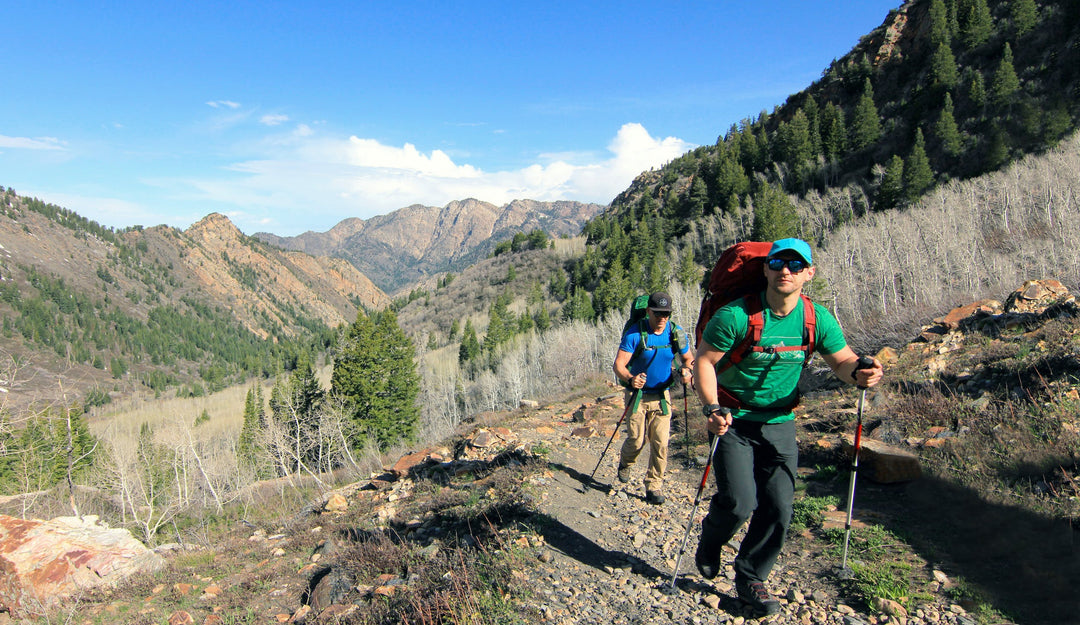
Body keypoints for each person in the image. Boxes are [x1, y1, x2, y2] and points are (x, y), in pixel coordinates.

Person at [692, 238, 883, 616]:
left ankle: (751, 578)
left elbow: (841, 361)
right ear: (765, 268)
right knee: (739, 503)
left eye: (796, 266)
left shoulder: (817, 319)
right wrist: (712, 408)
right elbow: (704, 363)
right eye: (778, 263)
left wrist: (860, 372)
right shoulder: (735, 316)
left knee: (779, 506)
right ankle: (711, 538)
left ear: (808, 274)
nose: (786, 271)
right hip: (732, 417)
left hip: (780, 420)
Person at [612, 291, 693, 505]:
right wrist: (630, 379)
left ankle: (654, 485)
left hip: (662, 396)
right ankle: (626, 463)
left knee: (660, 442)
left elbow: (688, 359)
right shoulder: (634, 333)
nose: (662, 318)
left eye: (666, 313)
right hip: (637, 394)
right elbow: (618, 365)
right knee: (637, 440)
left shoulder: (676, 332)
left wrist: (687, 370)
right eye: (658, 313)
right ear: (648, 311)